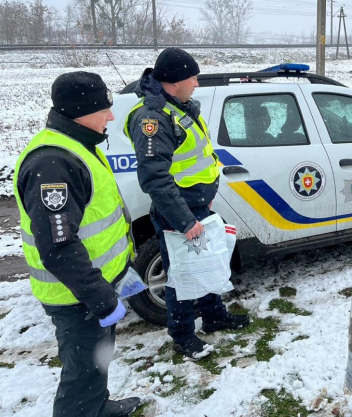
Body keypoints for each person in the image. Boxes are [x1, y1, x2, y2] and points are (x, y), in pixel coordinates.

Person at [13, 72, 140, 417]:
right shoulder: (54, 163)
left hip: (93, 287)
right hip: (77, 296)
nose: (111, 117)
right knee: (80, 375)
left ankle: (98, 407)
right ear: (82, 111)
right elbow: (58, 247)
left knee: (95, 363)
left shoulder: (78, 144)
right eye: (105, 109)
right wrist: (100, 298)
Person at [124, 47, 249, 359]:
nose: (196, 83)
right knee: (181, 274)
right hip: (178, 212)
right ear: (175, 80)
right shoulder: (153, 118)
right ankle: (182, 335)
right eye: (192, 77)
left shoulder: (177, 107)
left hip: (196, 207)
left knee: (204, 265)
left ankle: (214, 315)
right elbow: (155, 178)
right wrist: (184, 221)